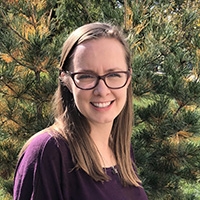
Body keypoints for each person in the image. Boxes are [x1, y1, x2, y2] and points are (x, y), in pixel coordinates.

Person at [13, 22, 148, 200]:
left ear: (128, 77)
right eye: (86, 76)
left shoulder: (120, 148)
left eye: (114, 75)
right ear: (66, 80)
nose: (102, 90)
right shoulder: (48, 153)